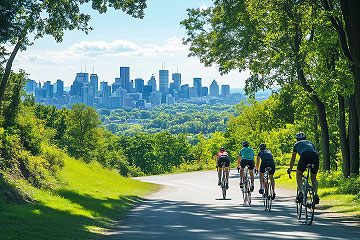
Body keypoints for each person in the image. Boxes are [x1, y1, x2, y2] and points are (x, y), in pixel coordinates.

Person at [287, 132, 320, 204]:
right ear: (305, 138)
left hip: (304, 155)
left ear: (297, 139)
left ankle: (301, 193)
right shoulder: (311, 143)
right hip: (315, 156)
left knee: (299, 174)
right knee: (313, 178)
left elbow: (293, 158)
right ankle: (316, 195)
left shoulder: (296, 144)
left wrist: (290, 168)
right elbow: (312, 151)